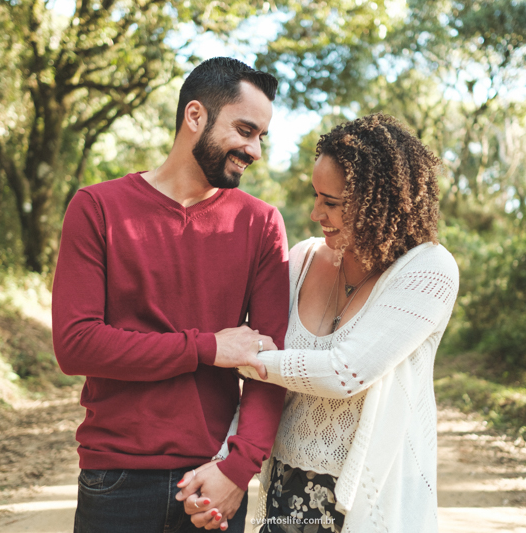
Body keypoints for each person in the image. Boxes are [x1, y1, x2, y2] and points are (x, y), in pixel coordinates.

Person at [52, 57, 289, 533]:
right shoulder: (97, 207)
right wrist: (209, 347)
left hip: (213, 481)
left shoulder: (261, 223)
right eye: (245, 130)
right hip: (114, 480)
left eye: (261, 136)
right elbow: (76, 344)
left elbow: (270, 366)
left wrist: (238, 471)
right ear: (195, 116)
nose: (254, 150)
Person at [197, 113, 459, 531]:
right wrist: (226, 463)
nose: (316, 212)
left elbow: (343, 371)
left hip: (368, 497)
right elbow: (265, 385)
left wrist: (243, 356)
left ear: (380, 201)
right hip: (285, 485)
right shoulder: (302, 259)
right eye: (316, 195)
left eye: (332, 202)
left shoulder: (428, 270)